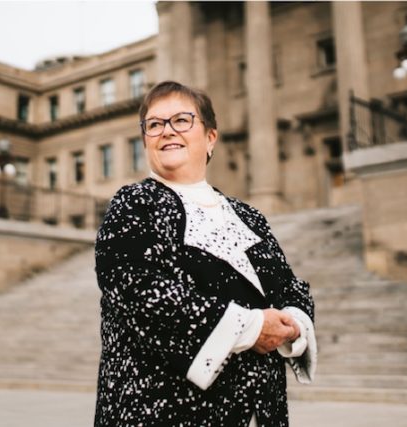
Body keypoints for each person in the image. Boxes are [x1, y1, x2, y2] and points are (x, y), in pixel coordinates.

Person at [94, 81, 316, 426]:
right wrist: (252, 327)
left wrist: (293, 325)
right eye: (155, 124)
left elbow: (290, 287)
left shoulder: (248, 216)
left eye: (182, 120)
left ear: (211, 137)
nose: (167, 131)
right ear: (145, 140)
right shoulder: (133, 204)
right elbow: (140, 292)